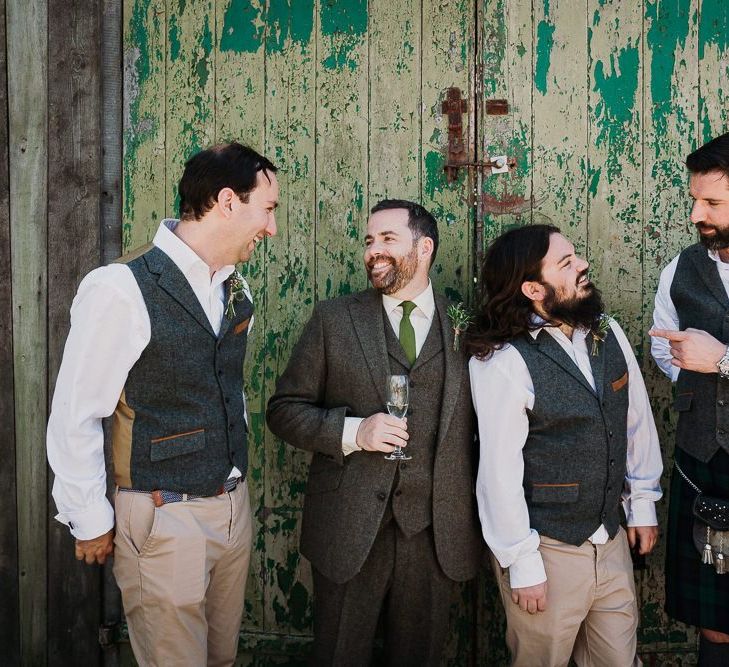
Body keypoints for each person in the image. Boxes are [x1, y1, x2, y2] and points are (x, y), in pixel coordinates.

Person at [46, 142, 279, 666]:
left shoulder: (234, 291)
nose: (271, 229)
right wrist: (90, 517)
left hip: (231, 509)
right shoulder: (120, 288)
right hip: (164, 516)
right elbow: (76, 412)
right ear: (226, 201)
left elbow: (224, 388)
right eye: (267, 210)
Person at [266, 199, 482, 666]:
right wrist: (352, 431)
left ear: (424, 248)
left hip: (434, 532)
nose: (373, 251)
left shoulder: (468, 328)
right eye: (368, 241)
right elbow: (284, 411)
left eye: (387, 239)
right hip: (348, 529)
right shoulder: (334, 319)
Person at [468, 224, 662, 666]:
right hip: (546, 549)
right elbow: (498, 472)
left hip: (611, 542)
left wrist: (643, 504)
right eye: (566, 262)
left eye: (576, 256)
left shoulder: (606, 334)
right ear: (534, 288)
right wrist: (522, 562)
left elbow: (636, 425)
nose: (583, 265)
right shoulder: (502, 359)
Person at [650, 132, 729, 666]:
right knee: (717, 624)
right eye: (695, 199)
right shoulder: (679, 270)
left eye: (713, 203)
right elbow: (662, 347)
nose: (698, 213)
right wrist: (690, 369)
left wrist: (721, 360)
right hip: (705, 465)